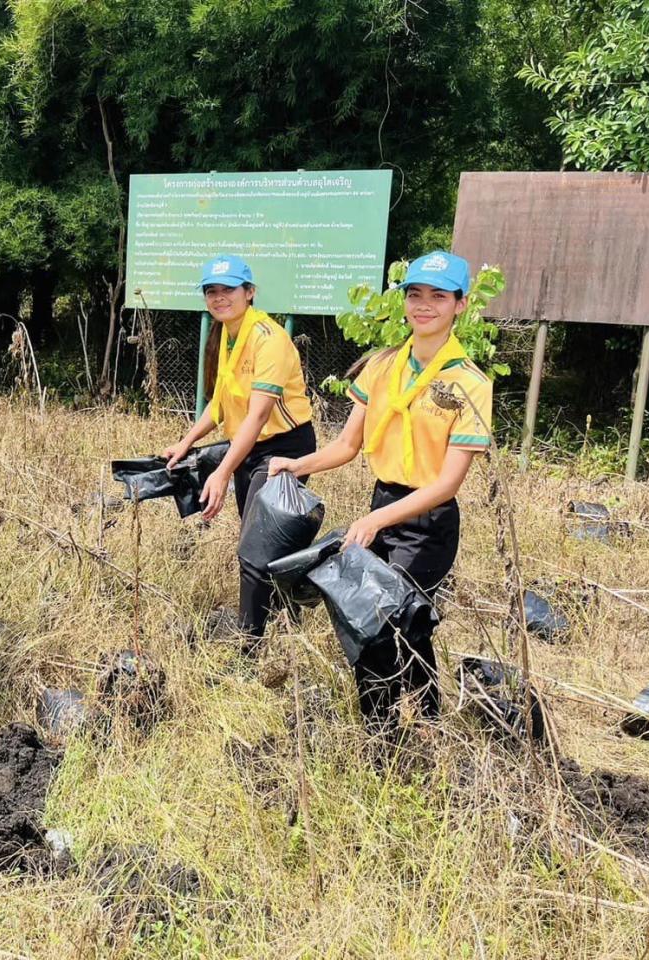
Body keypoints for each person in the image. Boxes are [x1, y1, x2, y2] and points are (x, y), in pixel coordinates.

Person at [269, 250, 492, 734]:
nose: (424, 305)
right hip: (383, 503)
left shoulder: (470, 383)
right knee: (407, 620)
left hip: (428, 522)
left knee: (376, 622)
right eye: (415, 295)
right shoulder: (383, 366)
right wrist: (297, 462)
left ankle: (381, 738)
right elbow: (348, 444)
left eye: (438, 296)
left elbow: (447, 483)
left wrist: (374, 524)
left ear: (461, 304)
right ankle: (429, 717)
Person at [162, 254, 317, 650]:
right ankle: (288, 618)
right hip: (250, 445)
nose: (218, 297)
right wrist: (187, 441)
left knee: (255, 546)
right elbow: (220, 404)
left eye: (228, 289)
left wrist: (223, 470)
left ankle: (249, 647)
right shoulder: (226, 335)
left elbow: (258, 415)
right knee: (268, 541)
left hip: (283, 447)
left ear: (249, 293)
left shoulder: (269, 339)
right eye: (211, 291)